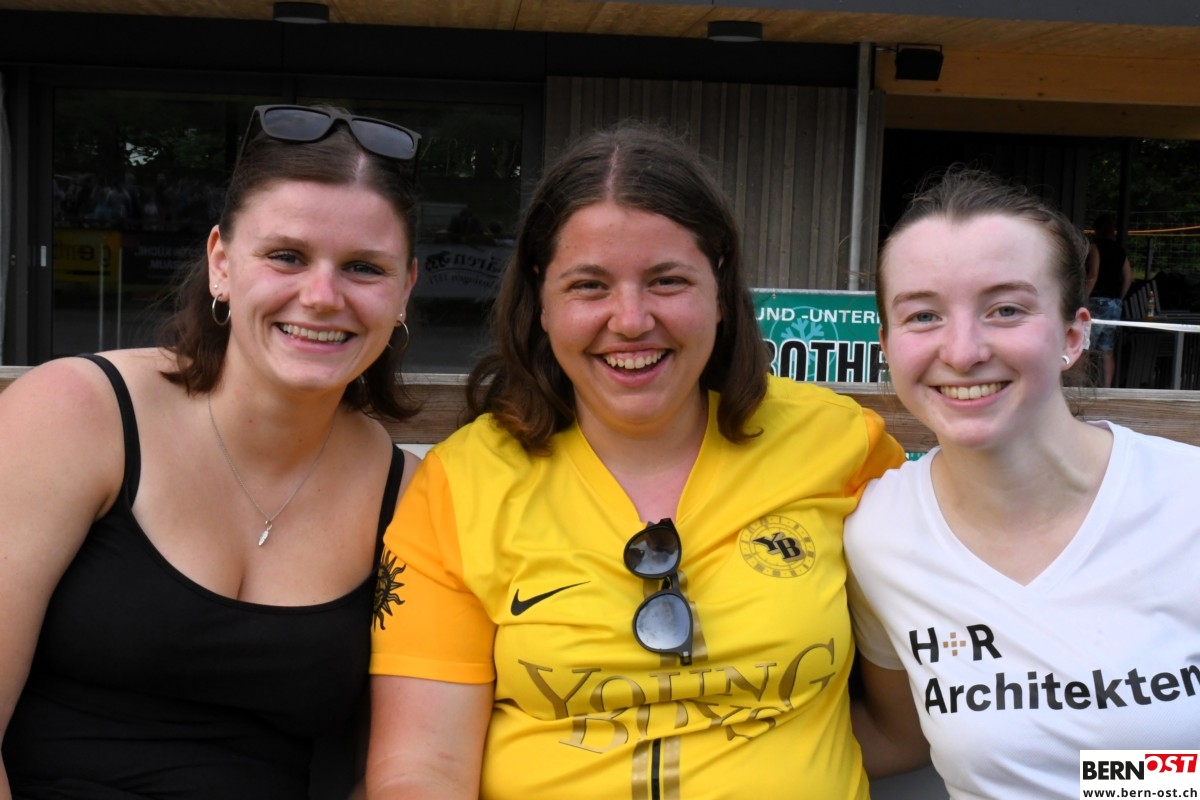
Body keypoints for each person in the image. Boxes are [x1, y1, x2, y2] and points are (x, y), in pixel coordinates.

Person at [366, 123, 906, 799]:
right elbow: (422, 769)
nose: (629, 320)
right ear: (541, 301)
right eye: (589, 286)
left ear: (720, 289)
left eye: (667, 281)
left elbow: (919, 711)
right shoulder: (461, 485)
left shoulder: (844, 446)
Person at [0, 104, 425, 798]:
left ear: (405, 288)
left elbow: (400, 767)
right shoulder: (73, 415)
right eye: (286, 256)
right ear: (221, 263)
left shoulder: (406, 498)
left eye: (363, 267)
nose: (322, 297)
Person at [845, 168, 1200, 799]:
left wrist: (1111, 778)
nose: (962, 351)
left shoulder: (1185, 501)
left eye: (1006, 309)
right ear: (887, 345)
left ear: (1073, 334)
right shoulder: (880, 534)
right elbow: (900, 737)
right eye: (923, 315)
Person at [1084, 211, 1132, 387]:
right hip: (1114, 305)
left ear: (1097, 230)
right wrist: (1119, 298)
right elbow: (1128, 278)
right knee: (1107, 350)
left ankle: (1083, 385)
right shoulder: (1120, 252)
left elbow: (1093, 275)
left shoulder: (1095, 248)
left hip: (1096, 302)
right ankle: (1107, 388)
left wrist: (1083, 299)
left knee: (1085, 348)